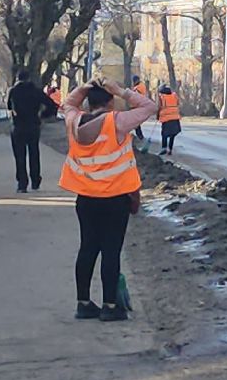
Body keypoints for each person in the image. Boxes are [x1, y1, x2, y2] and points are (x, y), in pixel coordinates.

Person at [59, 78, 156, 322]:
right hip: (115, 198)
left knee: (88, 248)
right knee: (111, 251)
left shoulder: (74, 121)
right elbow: (149, 107)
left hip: (86, 198)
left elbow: (67, 104)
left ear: (88, 103)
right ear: (111, 101)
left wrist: (83, 88)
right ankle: (110, 306)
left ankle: (83, 304)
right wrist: (122, 91)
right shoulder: (117, 122)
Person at [6, 69, 59, 192]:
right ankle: (35, 181)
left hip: (18, 126)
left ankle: (22, 184)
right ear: (29, 78)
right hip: (33, 125)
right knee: (34, 153)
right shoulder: (36, 91)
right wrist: (42, 116)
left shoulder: (13, 91)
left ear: (18, 78)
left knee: (20, 155)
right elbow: (52, 105)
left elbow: (9, 106)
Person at [156, 84, 182, 155]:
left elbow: (159, 107)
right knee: (172, 134)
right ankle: (170, 149)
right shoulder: (174, 96)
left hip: (166, 118)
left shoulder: (162, 97)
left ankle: (164, 148)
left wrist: (157, 116)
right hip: (175, 118)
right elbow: (178, 104)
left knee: (164, 134)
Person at [129, 77, 150, 151]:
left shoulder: (139, 87)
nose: (133, 82)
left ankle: (140, 137)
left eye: (134, 81)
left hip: (137, 107)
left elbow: (136, 96)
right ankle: (139, 137)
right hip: (137, 106)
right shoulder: (139, 86)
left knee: (135, 123)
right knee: (135, 123)